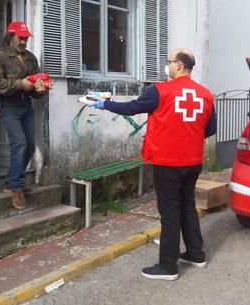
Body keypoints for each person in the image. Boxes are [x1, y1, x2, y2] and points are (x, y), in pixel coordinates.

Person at [89, 48, 216, 281]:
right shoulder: (206, 95)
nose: (166, 66)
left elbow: (131, 108)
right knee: (187, 205)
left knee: (169, 212)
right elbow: (209, 130)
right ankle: (196, 255)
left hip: (167, 161)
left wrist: (105, 104)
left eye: (168, 62)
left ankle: (168, 267)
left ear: (178, 65)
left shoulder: (160, 90)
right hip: (193, 161)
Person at [0, 21, 48, 210]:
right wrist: (20, 84)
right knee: (19, 143)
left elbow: (36, 84)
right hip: (8, 106)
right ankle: (17, 188)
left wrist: (40, 88)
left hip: (25, 105)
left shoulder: (30, 58)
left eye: (26, 38)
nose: (24, 41)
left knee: (29, 146)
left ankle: (11, 181)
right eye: (20, 38)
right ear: (10, 36)